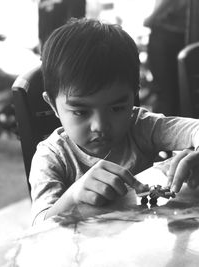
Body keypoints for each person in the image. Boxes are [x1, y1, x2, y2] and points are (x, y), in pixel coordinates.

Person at [29, 18, 199, 225]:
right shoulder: (53, 157)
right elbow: (38, 227)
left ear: (133, 96)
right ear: (53, 106)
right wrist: (72, 197)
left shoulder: (140, 126)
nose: (100, 126)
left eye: (117, 108)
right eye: (81, 111)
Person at [144, 0, 188, 116]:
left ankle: (161, 132)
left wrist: (152, 18)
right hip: (180, 34)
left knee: (165, 94)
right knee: (176, 94)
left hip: (166, 33)